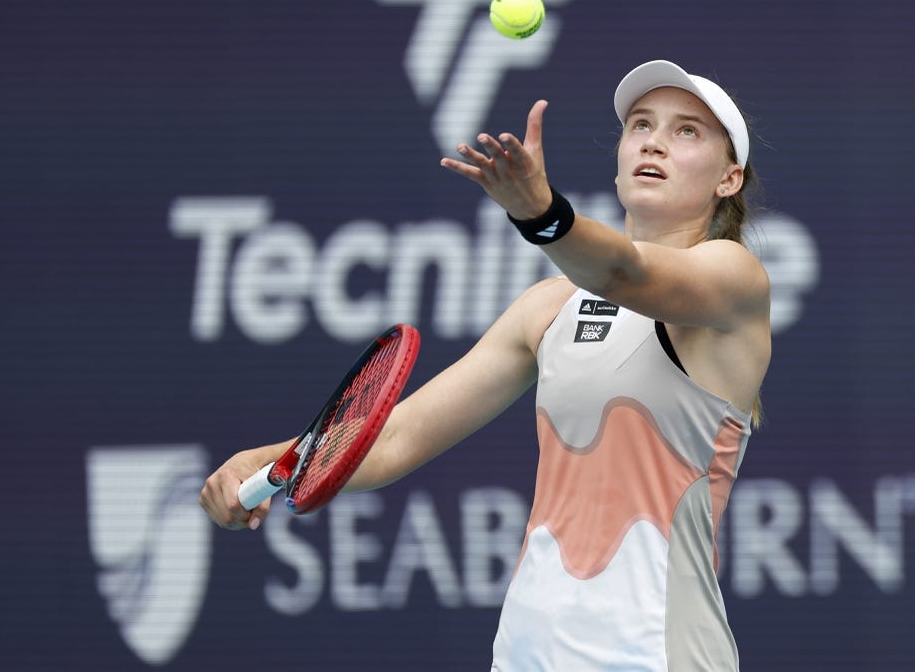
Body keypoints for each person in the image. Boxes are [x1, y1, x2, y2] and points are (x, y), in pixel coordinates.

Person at [200, 59, 771, 671]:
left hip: (657, 656)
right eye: (640, 124)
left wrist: (542, 213)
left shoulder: (733, 278)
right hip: (526, 654)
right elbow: (394, 435)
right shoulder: (547, 308)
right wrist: (268, 462)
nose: (654, 140)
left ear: (729, 178)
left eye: (687, 131)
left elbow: (624, 272)